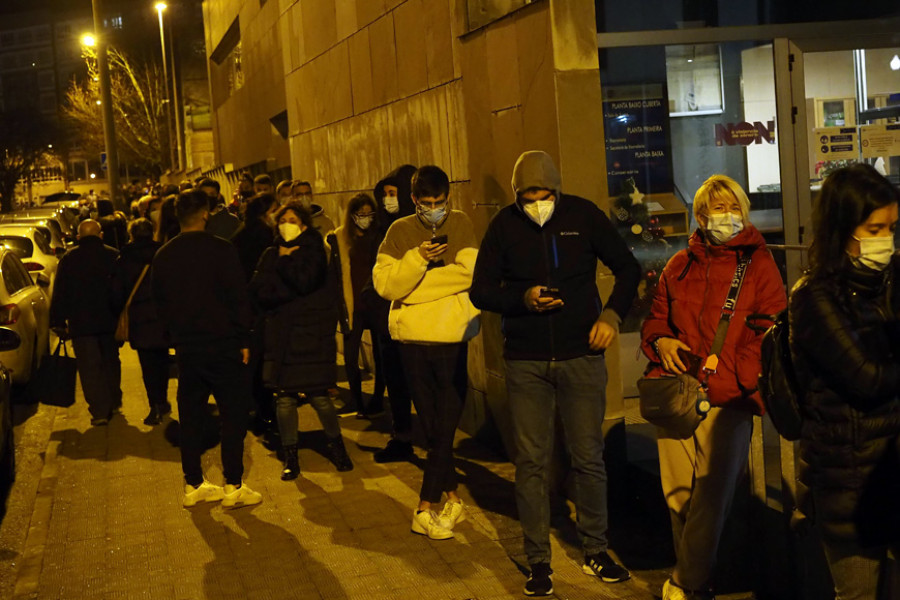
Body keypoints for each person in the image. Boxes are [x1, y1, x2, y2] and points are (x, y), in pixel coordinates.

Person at [471, 151, 640, 595]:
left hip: (581, 356)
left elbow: (628, 268)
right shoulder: (504, 226)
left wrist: (611, 317)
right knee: (530, 462)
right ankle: (538, 560)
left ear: (557, 190)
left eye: (544, 194)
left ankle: (596, 550)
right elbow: (480, 290)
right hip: (525, 361)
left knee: (588, 458)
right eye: (528, 196)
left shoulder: (583, 215)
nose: (537, 203)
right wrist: (522, 299)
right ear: (516, 195)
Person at [640, 175, 786, 600]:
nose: (725, 216)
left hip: (729, 401)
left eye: (732, 206)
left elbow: (771, 330)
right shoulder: (679, 265)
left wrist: (732, 376)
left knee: (711, 498)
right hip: (676, 394)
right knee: (678, 497)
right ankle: (696, 583)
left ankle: (684, 582)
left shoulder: (758, 264)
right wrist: (660, 341)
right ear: (700, 216)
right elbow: (655, 320)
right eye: (714, 209)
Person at [788, 164, 900, 600]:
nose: (886, 239)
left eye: (892, 227)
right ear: (842, 229)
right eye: (875, 228)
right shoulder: (815, 298)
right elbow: (867, 378)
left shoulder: (890, 282)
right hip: (849, 483)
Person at [372, 165, 480, 540]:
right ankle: (451, 498)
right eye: (427, 203)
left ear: (448, 198)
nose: (435, 210)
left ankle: (424, 506)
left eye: (441, 203)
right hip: (413, 341)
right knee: (435, 426)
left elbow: (470, 275)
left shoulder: (462, 223)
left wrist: (414, 289)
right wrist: (418, 258)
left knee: (445, 422)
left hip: (452, 336)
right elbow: (386, 285)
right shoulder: (399, 231)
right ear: (414, 199)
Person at [151, 189, 262, 509]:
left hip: (188, 347)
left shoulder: (165, 255)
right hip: (224, 343)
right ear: (203, 214)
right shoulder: (221, 250)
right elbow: (237, 297)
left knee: (191, 415)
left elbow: (160, 303)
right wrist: (243, 338)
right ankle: (233, 483)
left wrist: (174, 336)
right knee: (232, 414)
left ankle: (193, 483)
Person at [249, 202, 353, 478]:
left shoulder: (315, 250)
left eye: (293, 219)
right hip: (281, 337)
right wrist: (284, 285)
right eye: (282, 219)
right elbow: (260, 290)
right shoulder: (271, 252)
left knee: (320, 397)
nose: (287, 224)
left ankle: (337, 446)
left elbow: (305, 282)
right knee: (284, 399)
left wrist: (285, 263)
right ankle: (290, 454)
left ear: (304, 224)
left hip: (310, 335)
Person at [49, 219, 122, 426]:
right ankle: (114, 400)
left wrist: (58, 320)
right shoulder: (113, 255)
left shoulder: (70, 258)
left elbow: (60, 291)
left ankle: (99, 410)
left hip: (81, 324)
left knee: (89, 368)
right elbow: (120, 290)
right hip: (109, 321)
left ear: (79, 237)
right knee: (111, 362)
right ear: (100, 235)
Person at [369, 165, 418, 462]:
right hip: (388, 323)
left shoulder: (415, 227)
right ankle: (402, 437)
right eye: (385, 194)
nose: (388, 200)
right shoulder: (382, 228)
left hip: (415, 321)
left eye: (393, 193)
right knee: (396, 382)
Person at [329, 193, 385, 418]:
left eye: (369, 214)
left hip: (375, 303)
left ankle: (378, 399)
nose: (365, 218)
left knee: (381, 357)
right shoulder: (342, 237)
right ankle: (356, 400)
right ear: (352, 216)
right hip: (354, 305)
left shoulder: (378, 236)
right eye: (360, 215)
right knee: (351, 357)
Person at [111, 218, 171, 425]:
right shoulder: (163, 253)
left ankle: (154, 404)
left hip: (139, 318)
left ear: (132, 234)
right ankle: (162, 400)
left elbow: (117, 292)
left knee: (148, 365)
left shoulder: (124, 258)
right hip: (162, 315)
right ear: (153, 232)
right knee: (162, 359)